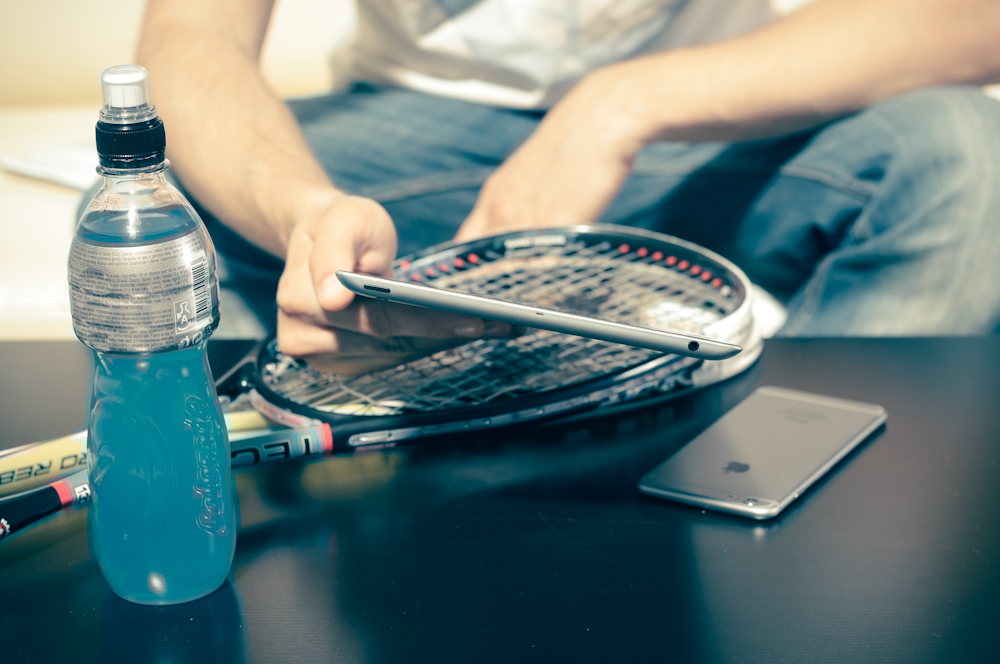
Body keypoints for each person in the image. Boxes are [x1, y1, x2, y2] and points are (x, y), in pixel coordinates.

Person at [135, 0, 1000, 372]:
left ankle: (785, 490)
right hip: (419, 126)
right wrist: (306, 211)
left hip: (715, 126)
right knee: (155, 217)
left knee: (964, 151)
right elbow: (189, 34)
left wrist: (620, 105)